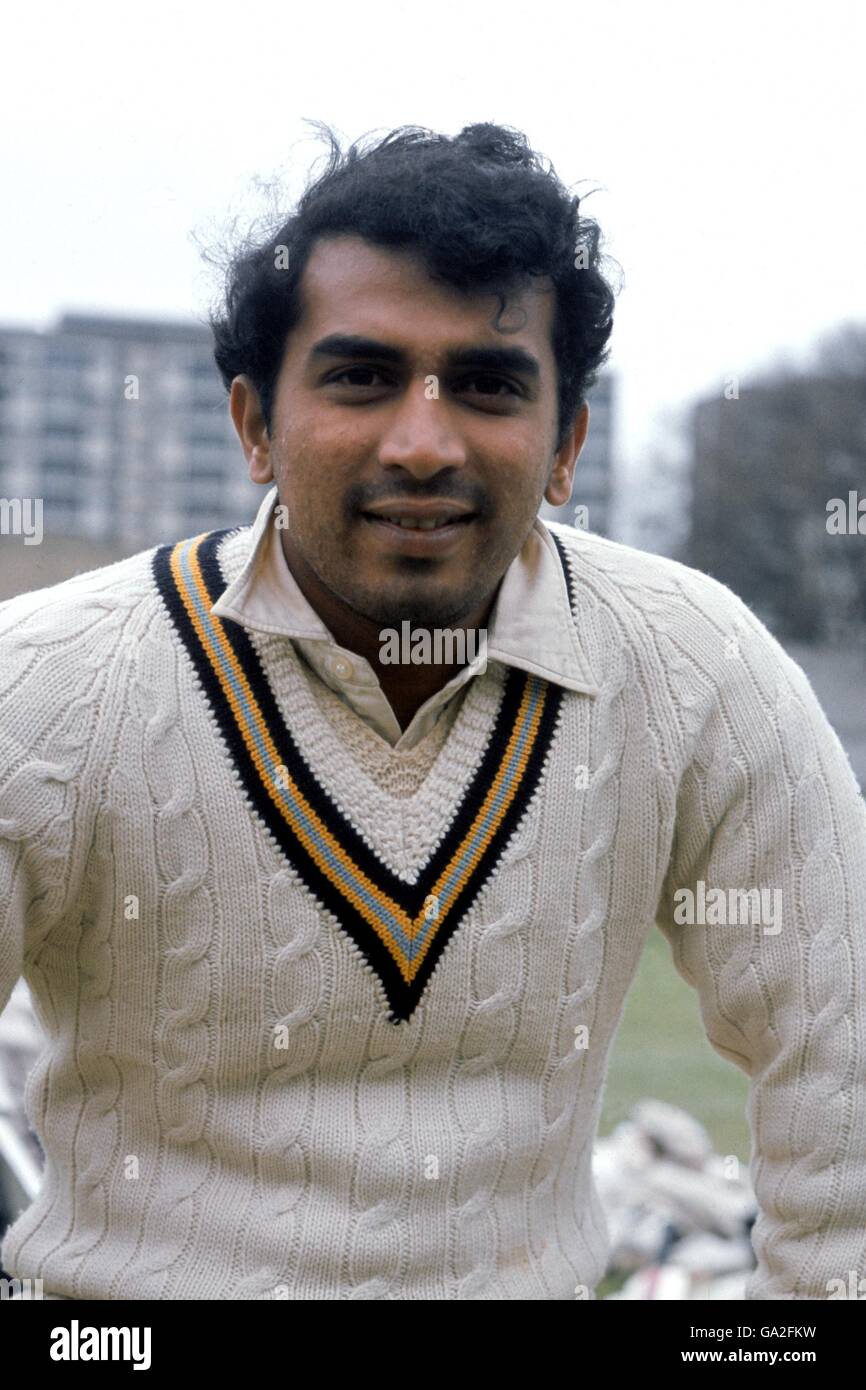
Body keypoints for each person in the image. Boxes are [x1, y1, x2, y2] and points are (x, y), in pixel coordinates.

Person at [1, 122, 864, 1301]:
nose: (421, 441)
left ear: (565, 444)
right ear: (254, 424)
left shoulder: (695, 667)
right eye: (360, 375)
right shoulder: (50, 684)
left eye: (486, 385)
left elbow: (845, 1071)